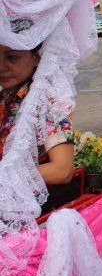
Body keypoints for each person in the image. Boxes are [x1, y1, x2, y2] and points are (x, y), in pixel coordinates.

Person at [0, 19, 75, 187]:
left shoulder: (47, 101)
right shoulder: (7, 93)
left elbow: (62, 170)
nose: (1, 66)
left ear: (36, 57)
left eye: (12, 57)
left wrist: (5, 177)